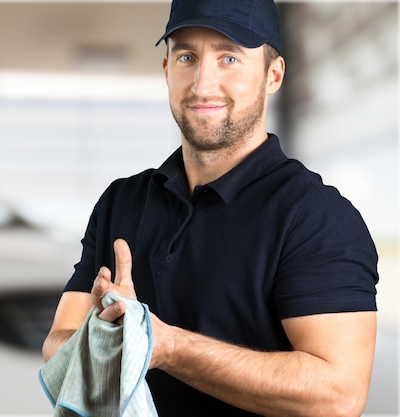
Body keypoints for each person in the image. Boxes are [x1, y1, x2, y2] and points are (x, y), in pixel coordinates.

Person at [42, 0, 379, 415]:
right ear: (167, 70)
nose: (202, 84)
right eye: (187, 57)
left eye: (229, 58)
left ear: (272, 76)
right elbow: (57, 341)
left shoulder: (315, 216)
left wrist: (165, 346)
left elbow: (338, 395)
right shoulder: (122, 200)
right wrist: (105, 334)